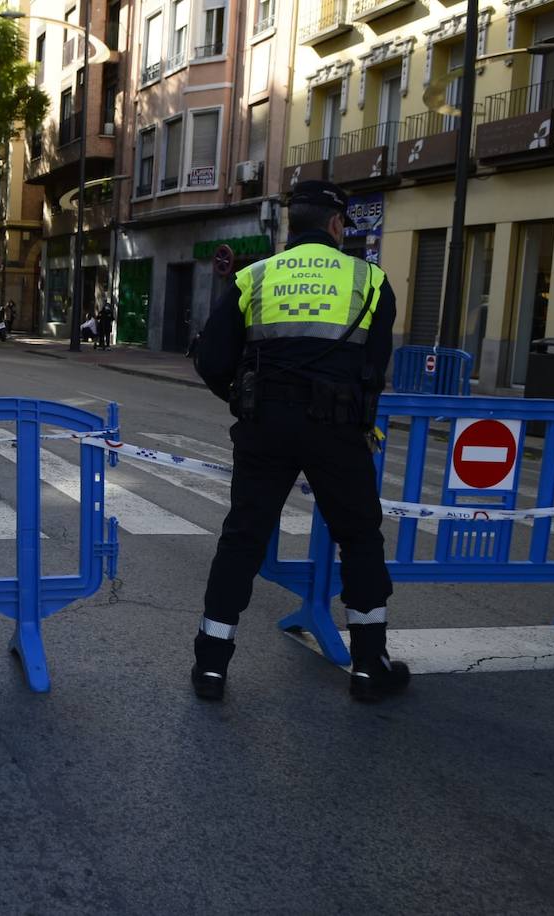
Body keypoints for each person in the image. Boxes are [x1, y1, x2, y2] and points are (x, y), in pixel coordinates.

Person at [193, 179, 408, 703]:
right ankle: (367, 667)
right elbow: (374, 369)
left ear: (292, 225)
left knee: (242, 539)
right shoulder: (371, 280)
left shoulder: (253, 277)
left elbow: (210, 359)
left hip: (264, 425)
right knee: (359, 539)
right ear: (337, 225)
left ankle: (212, 668)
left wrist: (244, 398)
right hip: (336, 429)